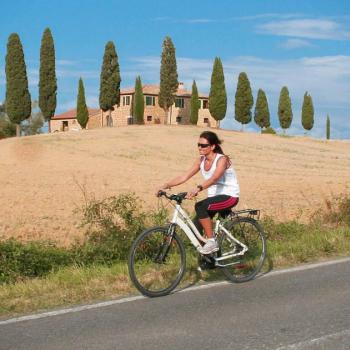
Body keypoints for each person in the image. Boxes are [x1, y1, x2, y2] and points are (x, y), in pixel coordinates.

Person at [157, 131, 240, 254]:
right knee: (196, 227)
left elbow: (214, 178)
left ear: (212, 146)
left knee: (200, 206)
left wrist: (198, 188)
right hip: (214, 198)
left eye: (204, 145)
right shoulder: (201, 160)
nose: (200, 147)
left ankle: (211, 241)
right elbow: (184, 176)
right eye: (198, 145)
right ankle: (209, 258)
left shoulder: (222, 159)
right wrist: (166, 185)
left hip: (229, 196)